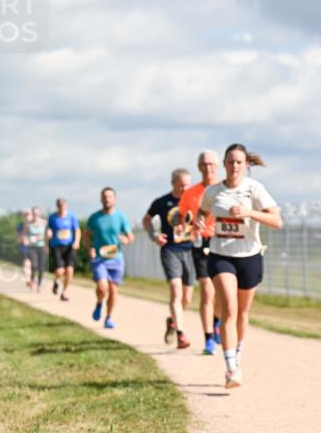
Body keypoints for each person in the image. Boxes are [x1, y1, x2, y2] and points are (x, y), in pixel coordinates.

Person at [196, 143, 282, 388]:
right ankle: (231, 368)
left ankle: (237, 353)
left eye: (239, 162)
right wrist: (199, 223)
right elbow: (201, 213)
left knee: (242, 313)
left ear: (246, 165)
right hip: (220, 255)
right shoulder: (213, 192)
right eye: (230, 161)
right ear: (224, 164)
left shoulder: (254, 189)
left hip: (250, 255)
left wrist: (248, 212)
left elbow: (277, 221)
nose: (234, 166)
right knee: (229, 310)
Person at [145, 168, 196, 349]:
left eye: (187, 184)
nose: (185, 188)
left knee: (187, 297)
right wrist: (154, 236)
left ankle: (173, 321)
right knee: (176, 288)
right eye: (181, 184)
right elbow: (146, 220)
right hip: (170, 250)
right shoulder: (161, 202)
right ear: (173, 183)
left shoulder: (193, 201)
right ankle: (181, 334)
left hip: (189, 250)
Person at [180, 151, 224, 355]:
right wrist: (187, 222)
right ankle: (208, 338)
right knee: (207, 290)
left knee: (222, 292)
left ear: (218, 166)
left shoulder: (225, 188)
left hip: (224, 241)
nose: (208, 168)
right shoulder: (190, 193)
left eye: (212, 164)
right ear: (199, 167)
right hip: (201, 242)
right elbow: (182, 221)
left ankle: (216, 322)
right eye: (204, 164)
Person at [85, 188, 133, 329]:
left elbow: (130, 236)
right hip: (100, 258)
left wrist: (126, 239)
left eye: (110, 197)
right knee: (102, 287)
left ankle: (108, 317)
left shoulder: (121, 217)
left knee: (113, 290)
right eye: (104, 197)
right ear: (101, 199)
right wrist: (90, 249)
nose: (107, 199)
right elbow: (87, 235)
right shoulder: (95, 217)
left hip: (116, 257)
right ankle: (99, 303)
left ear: (115, 199)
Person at [47, 198, 81, 302]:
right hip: (56, 246)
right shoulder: (52, 217)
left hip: (69, 246)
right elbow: (48, 230)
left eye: (63, 205)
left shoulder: (71, 216)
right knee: (60, 271)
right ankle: (56, 281)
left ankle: (64, 292)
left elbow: (77, 230)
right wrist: (47, 239)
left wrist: (77, 241)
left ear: (66, 206)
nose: (61, 207)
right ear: (57, 206)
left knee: (69, 270)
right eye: (59, 205)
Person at [25, 207, 48, 291]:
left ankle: (39, 284)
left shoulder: (44, 223)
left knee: (41, 267)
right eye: (34, 214)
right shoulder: (29, 224)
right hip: (32, 247)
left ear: (40, 214)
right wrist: (26, 239)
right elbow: (25, 235)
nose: (35, 216)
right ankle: (32, 279)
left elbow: (49, 234)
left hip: (42, 247)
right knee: (34, 265)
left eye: (37, 214)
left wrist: (42, 237)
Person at [17, 210, 32, 283]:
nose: (27, 217)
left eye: (29, 215)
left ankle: (30, 278)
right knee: (26, 263)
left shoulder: (35, 224)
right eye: (26, 215)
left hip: (34, 247)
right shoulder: (20, 225)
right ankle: (28, 279)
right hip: (24, 247)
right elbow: (18, 239)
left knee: (32, 264)